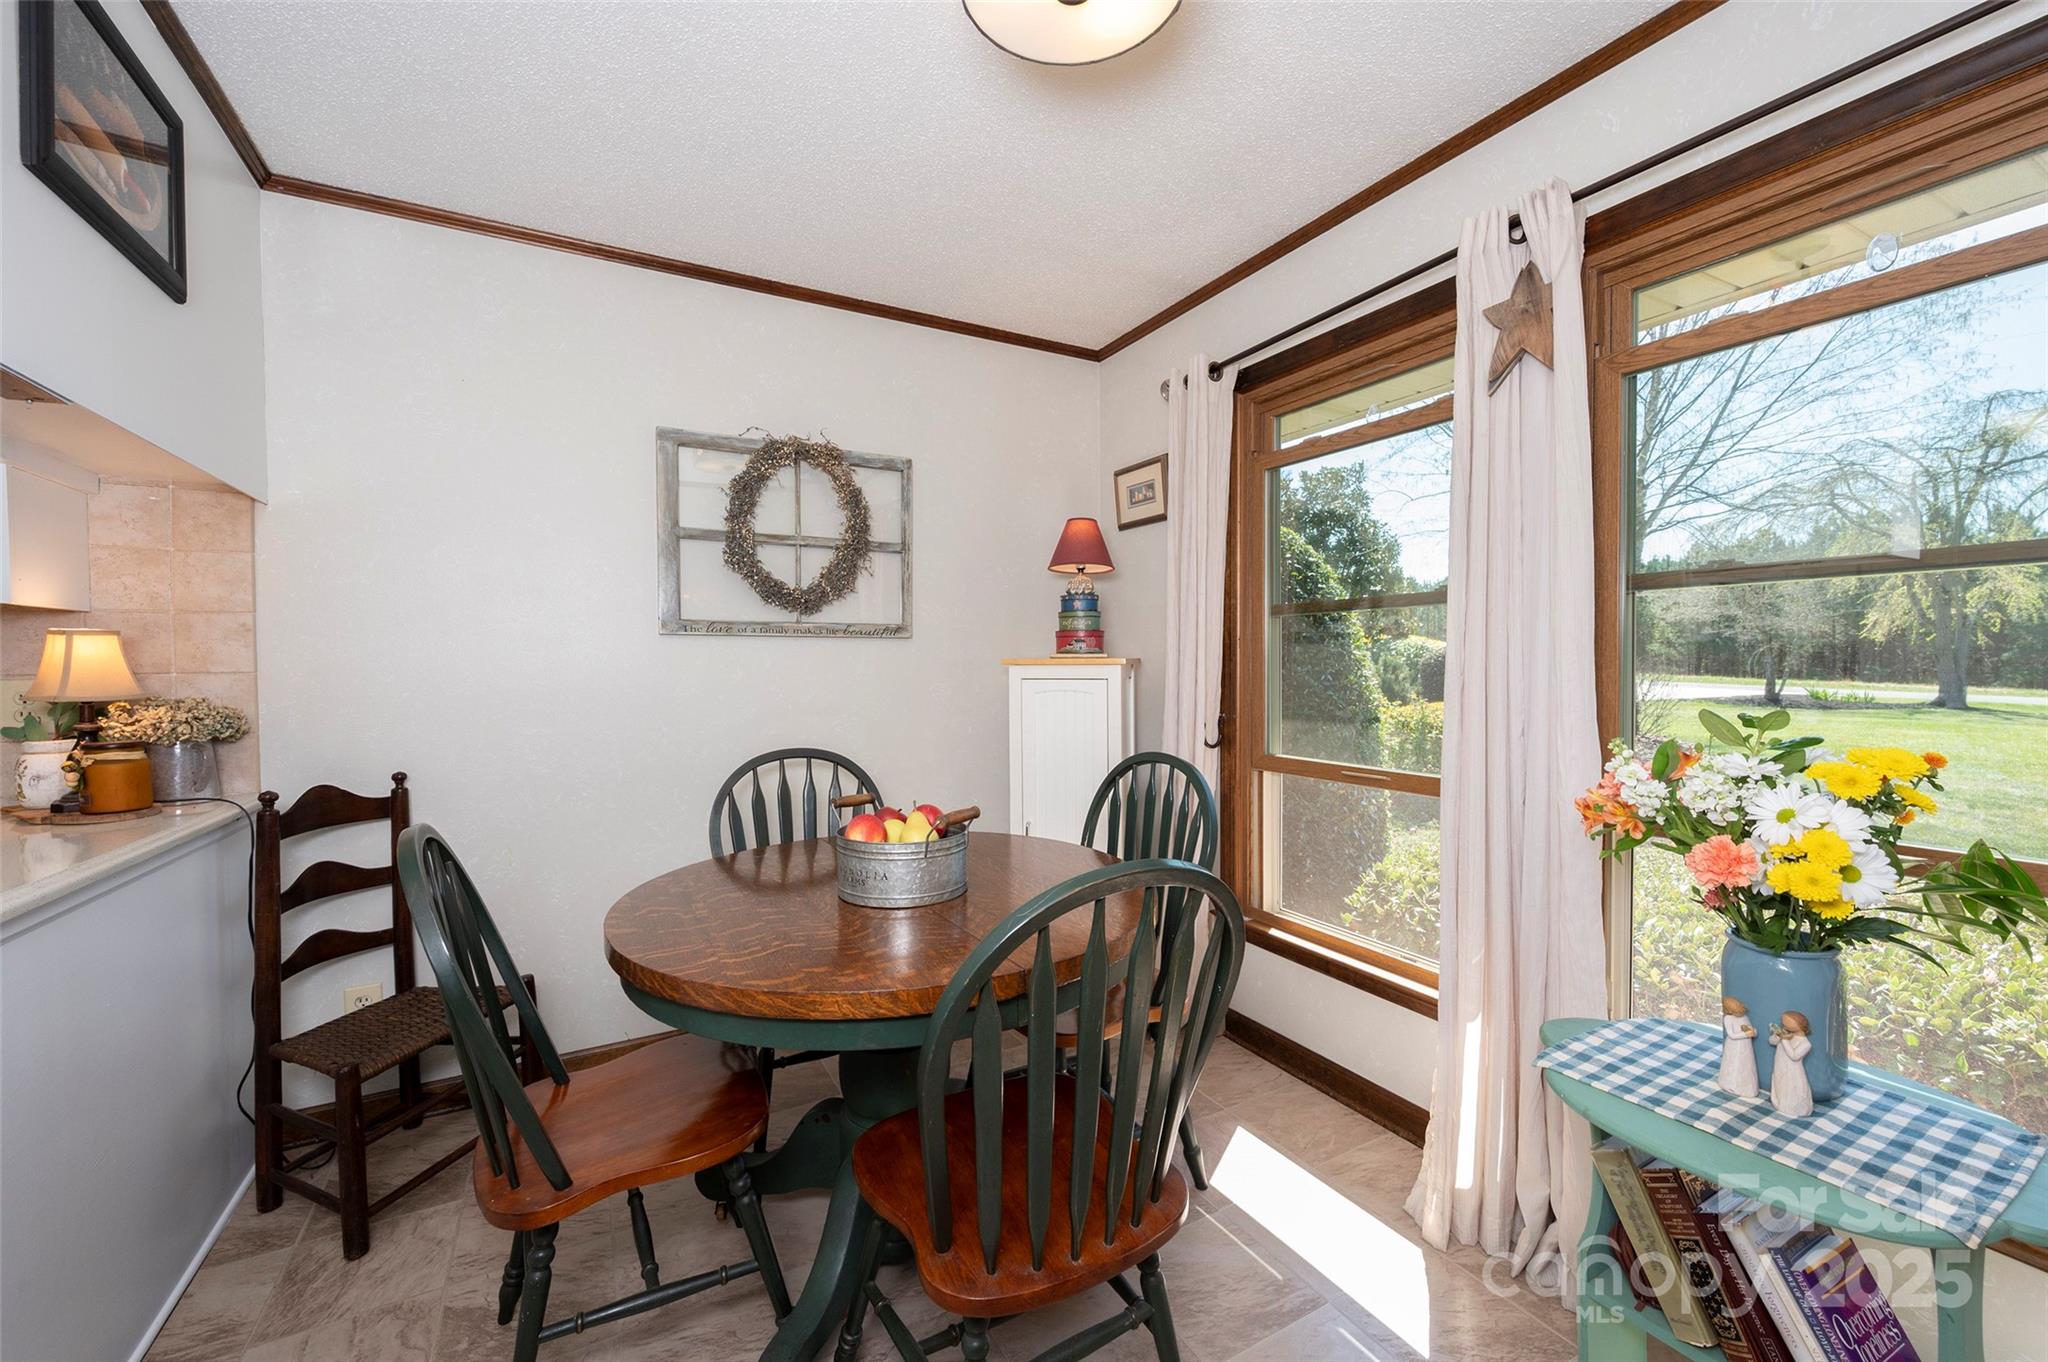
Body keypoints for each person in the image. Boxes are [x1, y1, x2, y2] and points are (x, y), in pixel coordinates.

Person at [1769, 1011, 1813, 1118]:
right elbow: (1772, 1042)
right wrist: (1776, 1036)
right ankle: (1781, 1104)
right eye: (1783, 1023)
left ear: (1799, 1025)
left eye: (1787, 1024)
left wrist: (1784, 1039)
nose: (1784, 1026)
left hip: (1792, 1071)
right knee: (1780, 1085)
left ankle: (1794, 1109)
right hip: (1780, 1066)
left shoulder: (1805, 1043)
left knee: (1792, 1088)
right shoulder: (1787, 1034)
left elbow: (1794, 1056)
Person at [1718, 996, 1759, 1097]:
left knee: (1745, 1064)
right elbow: (1731, 1034)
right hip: (1734, 1045)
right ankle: (1730, 1083)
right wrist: (1745, 1034)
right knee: (1733, 1062)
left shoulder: (1744, 1017)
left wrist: (1753, 1032)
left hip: (1745, 1045)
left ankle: (1744, 1086)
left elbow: (1749, 1028)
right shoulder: (1728, 1018)